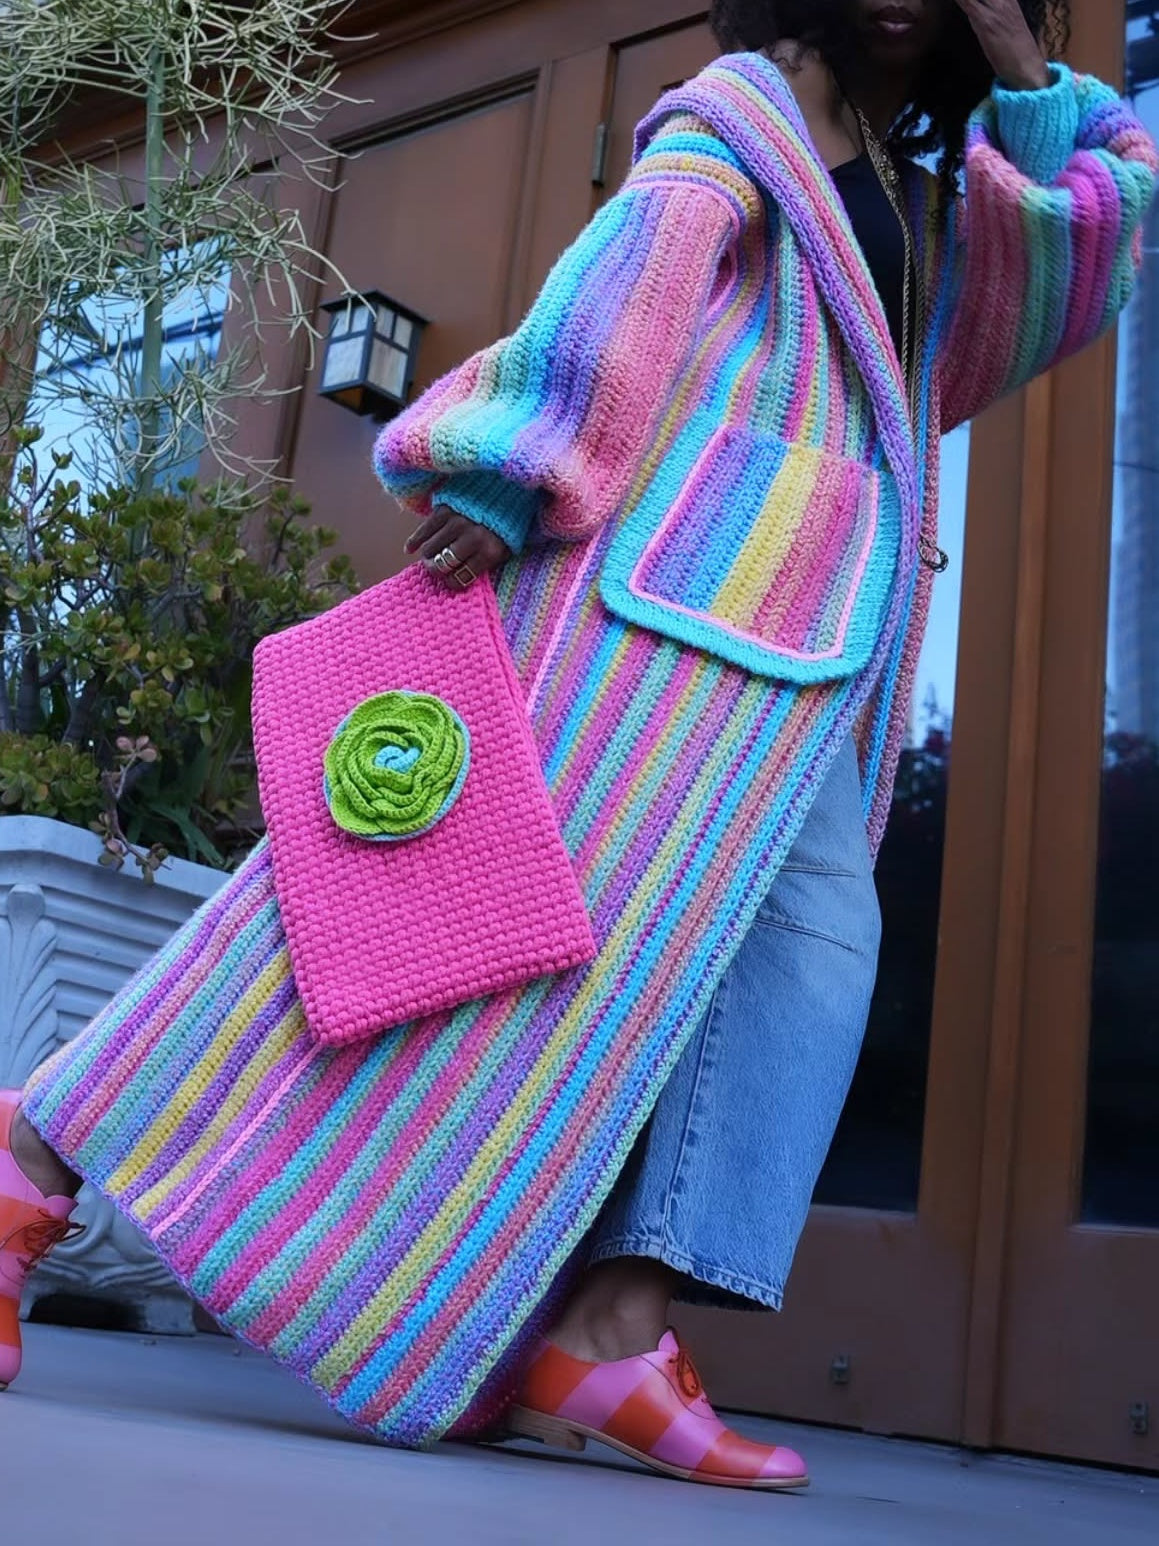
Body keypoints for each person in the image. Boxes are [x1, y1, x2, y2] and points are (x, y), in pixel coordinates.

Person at [3, 0, 1155, 1492]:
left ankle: (613, 1332)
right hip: (647, 617)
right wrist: (516, 464)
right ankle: (33, 1160)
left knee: (803, 956)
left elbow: (1067, 281)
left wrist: (1024, 73)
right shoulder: (747, 107)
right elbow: (633, 276)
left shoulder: (919, 187)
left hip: (802, 642)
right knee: (407, 922)